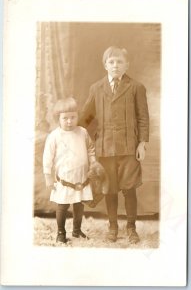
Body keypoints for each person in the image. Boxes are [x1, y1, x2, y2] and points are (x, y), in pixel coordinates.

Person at [79, 46, 149, 243]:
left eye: (119, 62)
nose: (115, 65)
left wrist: (142, 143)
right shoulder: (96, 88)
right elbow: (87, 117)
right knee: (109, 189)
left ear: (127, 65)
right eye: (111, 62)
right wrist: (76, 138)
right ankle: (112, 227)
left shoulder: (136, 87)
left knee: (129, 189)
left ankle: (131, 228)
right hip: (105, 148)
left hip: (129, 148)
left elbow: (143, 118)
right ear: (105, 65)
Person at [43, 97, 96, 243]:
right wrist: (48, 176)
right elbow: (47, 157)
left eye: (73, 117)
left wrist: (93, 162)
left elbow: (91, 149)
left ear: (77, 116)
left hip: (81, 178)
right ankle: (61, 232)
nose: (69, 121)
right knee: (63, 206)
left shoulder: (82, 132)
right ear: (57, 119)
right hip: (65, 179)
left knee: (79, 204)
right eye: (65, 118)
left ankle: (77, 230)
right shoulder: (54, 136)